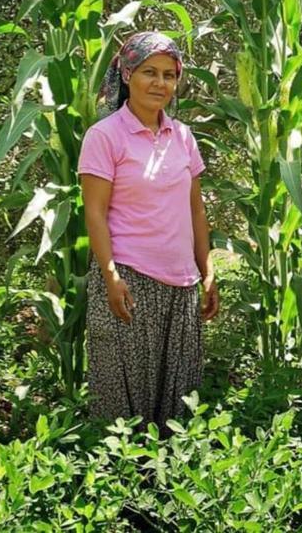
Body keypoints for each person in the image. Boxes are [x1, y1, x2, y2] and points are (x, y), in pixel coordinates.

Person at [78, 31, 219, 435]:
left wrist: (206, 269)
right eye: (149, 73)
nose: (161, 84)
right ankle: (120, 494)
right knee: (124, 412)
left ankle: (168, 492)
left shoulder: (184, 137)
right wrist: (111, 277)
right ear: (126, 75)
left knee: (177, 408)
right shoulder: (104, 136)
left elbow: (195, 208)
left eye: (169, 75)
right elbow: (95, 212)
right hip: (130, 284)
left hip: (182, 285)